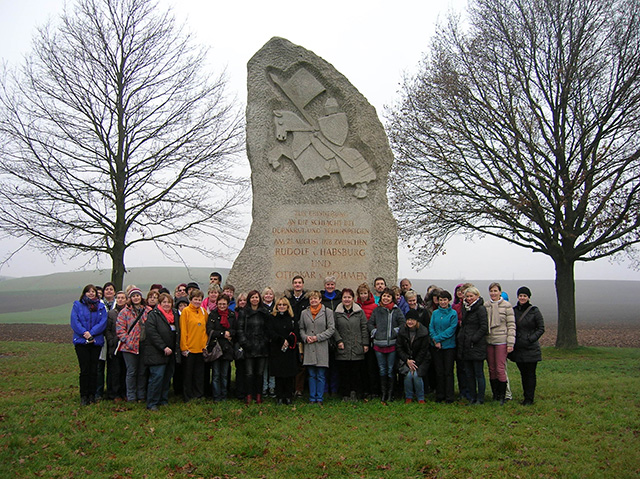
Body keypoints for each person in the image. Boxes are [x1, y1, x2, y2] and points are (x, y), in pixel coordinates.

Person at [70, 284, 108, 405]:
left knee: (94, 369)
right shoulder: (78, 305)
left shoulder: (101, 307)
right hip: (81, 342)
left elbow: (103, 322)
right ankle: (84, 395)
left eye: (93, 292)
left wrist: (92, 334)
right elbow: (75, 321)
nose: (91, 293)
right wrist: (85, 333)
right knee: (85, 369)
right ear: (84, 293)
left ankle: (92, 394)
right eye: (88, 292)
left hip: (96, 341)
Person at [368, 287, 404, 402]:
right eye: (384, 296)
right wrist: (375, 332)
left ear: (392, 298)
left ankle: (390, 393)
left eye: (388, 296)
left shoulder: (396, 310)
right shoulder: (377, 310)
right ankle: (383, 393)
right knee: (382, 369)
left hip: (392, 344)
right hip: (379, 344)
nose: (386, 298)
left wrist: (394, 332)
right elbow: (370, 324)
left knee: (390, 369)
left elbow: (403, 324)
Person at [144, 293, 179, 410]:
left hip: (171, 352)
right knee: (156, 378)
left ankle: (163, 399)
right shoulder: (153, 315)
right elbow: (152, 333)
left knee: (167, 377)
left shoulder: (174, 314)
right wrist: (163, 347)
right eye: (164, 302)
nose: (166, 304)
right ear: (159, 303)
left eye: (169, 302)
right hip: (156, 352)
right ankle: (152, 403)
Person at [299, 291, 335, 404]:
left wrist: (318, 337)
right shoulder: (304, 313)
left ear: (320, 300)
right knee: (311, 374)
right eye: (311, 299)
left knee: (320, 374)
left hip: (321, 346)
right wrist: (305, 337)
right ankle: (311, 397)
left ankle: (319, 398)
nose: (313, 301)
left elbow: (331, 329)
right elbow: (301, 328)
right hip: (309, 346)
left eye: (315, 299)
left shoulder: (327, 312)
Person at [333, 288, 368, 401]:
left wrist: (365, 343)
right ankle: (345, 394)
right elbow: (333, 328)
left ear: (353, 298)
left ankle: (354, 393)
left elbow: (364, 327)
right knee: (344, 372)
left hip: (356, 346)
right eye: (344, 297)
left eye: (349, 297)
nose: (347, 300)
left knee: (355, 372)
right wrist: (338, 340)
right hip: (342, 346)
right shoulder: (337, 313)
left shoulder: (359, 312)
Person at [511, 286, 545, 405]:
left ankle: (529, 398)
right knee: (523, 374)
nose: (522, 298)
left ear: (528, 297)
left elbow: (541, 328)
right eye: (520, 295)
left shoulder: (534, 311)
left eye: (524, 296)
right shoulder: (514, 311)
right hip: (519, 348)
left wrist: (531, 338)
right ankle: (526, 396)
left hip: (531, 349)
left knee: (530, 374)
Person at [116, 286, 150, 403]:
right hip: (129, 347)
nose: (136, 298)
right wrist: (128, 340)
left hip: (144, 345)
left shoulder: (148, 311)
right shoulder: (124, 312)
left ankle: (141, 395)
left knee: (142, 372)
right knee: (131, 372)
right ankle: (131, 396)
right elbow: (120, 329)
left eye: (138, 295)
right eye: (134, 296)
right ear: (130, 298)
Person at [237, 290, 270, 404]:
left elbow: (268, 329)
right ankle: (249, 395)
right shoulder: (243, 313)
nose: (255, 299)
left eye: (256, 297)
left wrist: (264, 341)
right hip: (249, 346)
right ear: (249, 300)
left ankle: (259, 395)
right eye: (252, 297)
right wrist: (245, 343)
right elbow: (240, 329)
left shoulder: (264, 312)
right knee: (249, 373)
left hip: (262, 346)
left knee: (259, 373)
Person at [486, 282, 516, 405]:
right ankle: (495, 394)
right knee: (491, 369)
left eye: (495, 291)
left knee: (500, 368)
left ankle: (503, 396)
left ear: (500, 292)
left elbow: (511, 325)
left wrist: (510, 343)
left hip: (502, 341)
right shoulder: (486, 305)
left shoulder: (507, 306)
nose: (493, 293)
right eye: (491, 291)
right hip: (489, 340)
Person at [265, 297, 300, 405]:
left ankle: (288, 396)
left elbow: (296, 332)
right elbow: (270, 331)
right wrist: (280, 340)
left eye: (284, 305)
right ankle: (280, 396)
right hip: (277, 348)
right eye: (279, 305)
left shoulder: (292, 318)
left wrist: (288, 340)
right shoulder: (272, 317)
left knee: (289, 374)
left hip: (289, 349)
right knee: (279, 374)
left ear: (287, 307)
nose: (281, 307)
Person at [458, 286, 488, 405]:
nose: (469, 298)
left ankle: (480, 398)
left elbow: (484, 327)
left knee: (478, 373)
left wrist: (474, 339)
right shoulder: (465, 308)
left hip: (476, 346)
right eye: (467, 296)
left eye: (471, 296)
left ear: (477, 296)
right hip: (466, 345)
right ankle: (472, 397)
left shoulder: (481, 309)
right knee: (469, 374)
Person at [206, 294, 236, 402]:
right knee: (216, 374)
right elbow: (209, 331)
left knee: (224, 374)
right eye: (220, 304)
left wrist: (230, 333)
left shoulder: (231, 315)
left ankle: (224, 395)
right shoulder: (212, 315)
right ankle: (216, 396)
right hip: (216, 348)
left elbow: (235, 330)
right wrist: (223, 333)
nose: (222, 306)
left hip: (227, 348)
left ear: (228, 304)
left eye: (224, 304)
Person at [429, 290, 458, 403]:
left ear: (448, 300)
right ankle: (440, 394)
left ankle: (449, 396)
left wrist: (438, 338)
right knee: (439, 371)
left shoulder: (453, 314)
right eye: (441, 300)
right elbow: (431, 327)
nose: (443, 302)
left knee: (448, 372)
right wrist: (435, 339)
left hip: (449, 346)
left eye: (445, 300)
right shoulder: (435, 313)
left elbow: (451, 330)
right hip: (436, 346)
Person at [179, 289, 208, 402]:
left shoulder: (203, 311)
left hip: (201, 348)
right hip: (189, 348)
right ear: (190, 300)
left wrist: (205, 345)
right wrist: (184, 347)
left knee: (199, 374)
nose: (197, 302)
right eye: (195, 299)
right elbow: (183, 330)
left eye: (199, 299)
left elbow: (205, 329)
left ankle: (199, 394)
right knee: (188, 374)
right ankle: (187, 395)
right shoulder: (186, 311)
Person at [396, 309, 430, 403]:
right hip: (406, 359)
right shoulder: (402, 331)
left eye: (412, 320)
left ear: (417, 321)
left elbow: (423, 350)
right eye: (408, 320)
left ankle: (420, 397)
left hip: (421, 360)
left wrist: (415, 363)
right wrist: (407, 360)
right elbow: (399, 348)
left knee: (416, 375)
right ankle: (408, 396)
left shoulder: (423, 332)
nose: (410, 322)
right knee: (407, 375)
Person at [104, 290, 127, 401]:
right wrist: (111, 340)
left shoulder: (129, 312)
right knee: (115, 371)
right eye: (118, 298)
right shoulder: (111, 313)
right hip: (114, 346)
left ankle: (124, 392)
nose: (120, 300)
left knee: (125, 370)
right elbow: (107, 329)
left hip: (126, 345)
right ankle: (114, 393)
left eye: (123, 298)